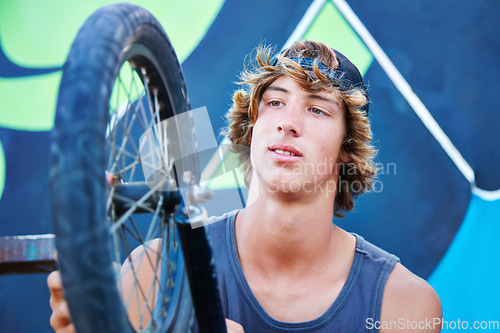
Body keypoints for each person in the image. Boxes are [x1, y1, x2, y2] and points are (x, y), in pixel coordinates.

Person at [48, 40, 442, 332]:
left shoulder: (404, 303)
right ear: (251, 127)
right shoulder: (155, 271)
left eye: (317, 109)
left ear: (346, 149)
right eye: (274, 102)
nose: (288, 122)